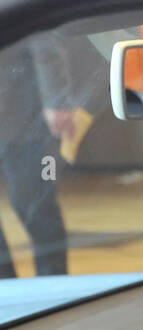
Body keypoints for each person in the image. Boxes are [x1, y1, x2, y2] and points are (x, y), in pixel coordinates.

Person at [0, 34, 76, 278]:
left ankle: (53, 284)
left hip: (19, 117)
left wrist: (57, 100)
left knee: (34, 204)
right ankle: (6, 292)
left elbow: (42, 36)